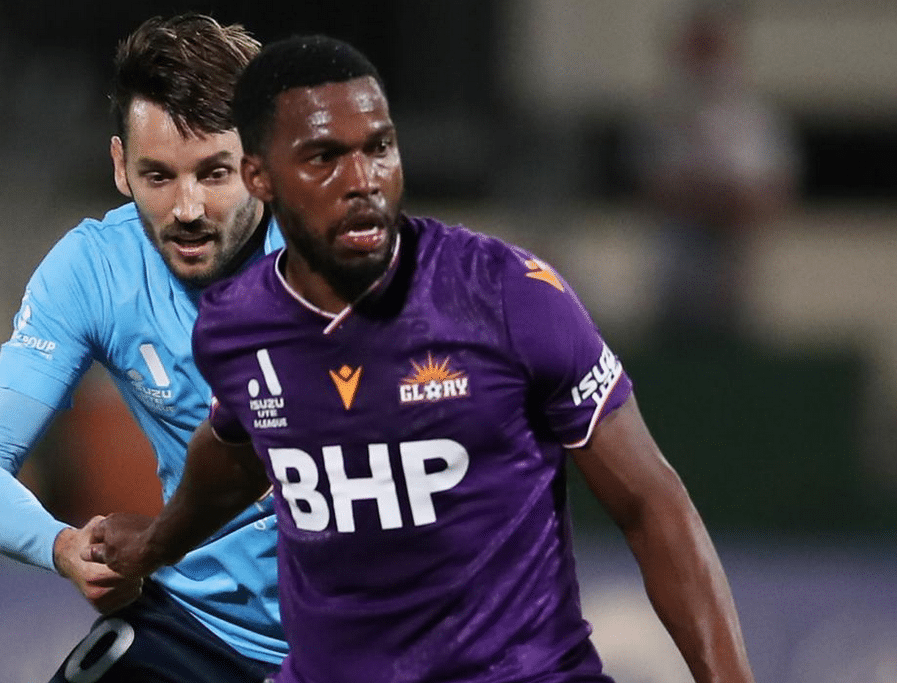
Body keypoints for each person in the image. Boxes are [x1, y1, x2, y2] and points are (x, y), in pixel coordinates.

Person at [88, 35, 757, 683]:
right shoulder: (235, 324)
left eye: (378, 147)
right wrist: (156, 543)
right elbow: (233, 454)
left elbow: (651, 504)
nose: (362, 180)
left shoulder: (506, 294)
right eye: (324, 157)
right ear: (258, 176)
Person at [0, 14, 287, 683]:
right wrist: (63, 546)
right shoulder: (94, 271)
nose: (187, 208)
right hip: (198, 629)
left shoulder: (340, 267)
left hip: (362, 637)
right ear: (121, 167)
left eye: (214, 173)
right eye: (159, 176)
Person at [632, 4, 798, 343]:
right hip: (675, 272)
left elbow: (772, 193)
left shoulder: (755, 118)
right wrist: (711, 198)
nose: (705, 62)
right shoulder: (661, 117)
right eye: (697, 48)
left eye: (712, 49)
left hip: (737, 271)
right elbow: (654, 188)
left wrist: (719, 199)